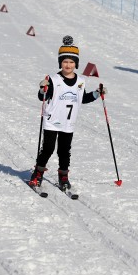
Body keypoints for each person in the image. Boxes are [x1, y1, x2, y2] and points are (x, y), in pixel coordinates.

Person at [28, 36, 106, 191]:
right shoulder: (53, 79)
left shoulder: (80, 81)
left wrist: (97, 94)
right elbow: (41, 97)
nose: (68, 65)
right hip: (52, 120)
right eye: (64, 62)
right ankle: (37, 173)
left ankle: (63, 176)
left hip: (68, 122)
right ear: (60, 63)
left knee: (64, 151)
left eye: (71, 62)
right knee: (48, 149)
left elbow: (82, 99)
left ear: (76, 64)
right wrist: (42, 88)